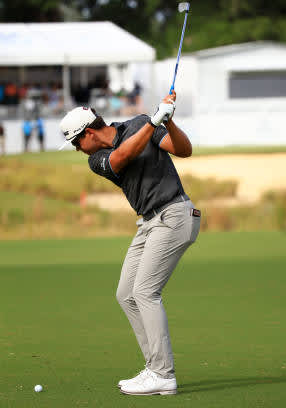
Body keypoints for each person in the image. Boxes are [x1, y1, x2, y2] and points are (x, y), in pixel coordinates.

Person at [59, 90, 201, 396]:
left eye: (75, 141)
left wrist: (169, 121)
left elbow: (183, 150)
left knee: (145, 291)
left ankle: (163, 374)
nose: (76, 148)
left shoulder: (138, 124)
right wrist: (153, 121)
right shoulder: (97, 159)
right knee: (126, 293)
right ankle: (155, 368)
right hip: (148, 223)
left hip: (175, 214)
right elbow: (122, 157)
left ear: (89, 133)